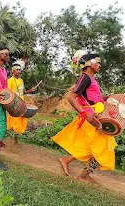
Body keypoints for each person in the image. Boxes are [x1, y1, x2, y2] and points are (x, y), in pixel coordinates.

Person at [51, 52, 117, 183]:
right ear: (89, 63)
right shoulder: (85, 77)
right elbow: (71, 97)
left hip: (96, 116)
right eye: (97, 62)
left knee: (92, 146)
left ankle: (67, 161)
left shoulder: (92, 80)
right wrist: (85, 113)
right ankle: (84, 175)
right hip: (90, 117)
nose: (99, 65)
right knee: (101, 147)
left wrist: (104, 99)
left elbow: (91, 98)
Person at [7, 62, 37, 144]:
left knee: (21, 120)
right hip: (14, 103)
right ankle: (13, 137)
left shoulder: (21, 80)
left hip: (21, 103)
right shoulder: (9, 81)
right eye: (17, 70)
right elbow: (8, 93)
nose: (19, 71)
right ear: (13, 71)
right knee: (15, 120)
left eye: (20, 70)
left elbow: (23, 92)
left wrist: (31, 90)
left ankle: (15, 137)